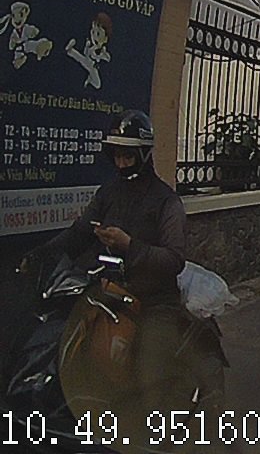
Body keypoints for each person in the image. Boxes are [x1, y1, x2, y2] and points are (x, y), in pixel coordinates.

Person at [22, 110, 200, 416]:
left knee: (151, 377)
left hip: (153, 302)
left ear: (143, 154)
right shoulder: (108, 193)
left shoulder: (167, 201)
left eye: (128, 156)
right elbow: (78, 233)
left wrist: (129, 245)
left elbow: (174, 259)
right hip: (107, 294)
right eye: (116, 156)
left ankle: (162, 429)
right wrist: (38, 256)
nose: (121, 163)